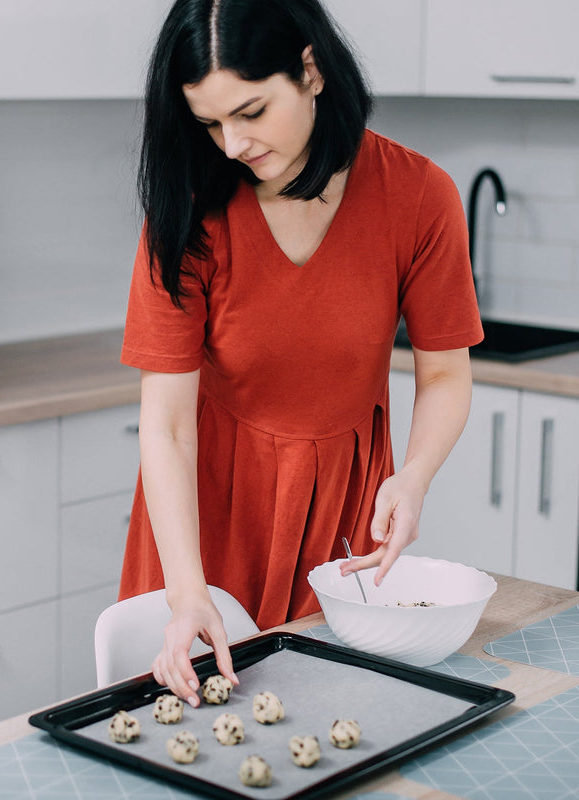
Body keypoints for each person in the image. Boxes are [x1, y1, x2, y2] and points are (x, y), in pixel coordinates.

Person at [117, 0, 483, 706]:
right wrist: (188, 591)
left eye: (251, 112)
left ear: (310, 70)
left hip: (335, 524)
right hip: (205, 521)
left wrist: (414, 478)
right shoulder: (190, 206)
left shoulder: (418, 196)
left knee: (326, 726)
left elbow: (442, 375)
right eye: (209, 123)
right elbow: (165, 423)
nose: (231, 144)